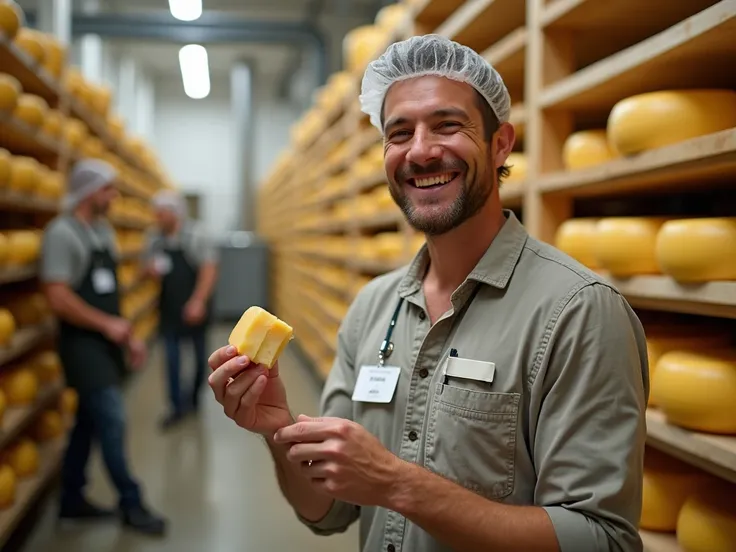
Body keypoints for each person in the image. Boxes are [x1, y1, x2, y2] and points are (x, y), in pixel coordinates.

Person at [207, 35, 649, 552]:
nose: (420, 151)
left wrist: (396, 484)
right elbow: (328, 512)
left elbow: (603, 540)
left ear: (501, 143)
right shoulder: (373, 306)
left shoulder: (580, 312)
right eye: (399, 134)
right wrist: (278, 433)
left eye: (447, 125)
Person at [40, 159, 167, 536]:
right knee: (111, 418)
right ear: (91, 192)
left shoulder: (102, 232)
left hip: (108, 341)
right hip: (82, 345)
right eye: (109, 189)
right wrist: (108, 326)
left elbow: (109, 296)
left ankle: (72, 498)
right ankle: (132, 503)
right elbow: (58, 296)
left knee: (87, 423)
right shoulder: (61, 234)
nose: (114, 197)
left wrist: (128, 335)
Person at [145, 190, 218, 429]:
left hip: (195, 306)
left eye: (161, 213)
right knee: (172, 359)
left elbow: (208, 269)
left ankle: (194, 398)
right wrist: (150, 271)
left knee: (200, 359)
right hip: (169, 308)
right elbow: (145, 266)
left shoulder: (197, 235)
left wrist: (198, 301)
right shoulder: (154, 238)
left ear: (174, 213)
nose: (157, 218)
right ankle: (176, 406)